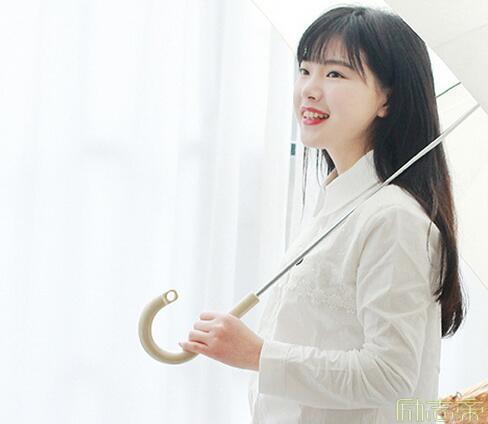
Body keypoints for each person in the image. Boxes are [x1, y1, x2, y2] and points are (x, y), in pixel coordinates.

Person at [179, 5, 466, 423]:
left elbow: (390, 374)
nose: (309, 90)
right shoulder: (335, 202)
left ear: (387, 98)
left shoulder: (394, 218)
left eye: (335, 74)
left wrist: (258, 354)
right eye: (305, 69)